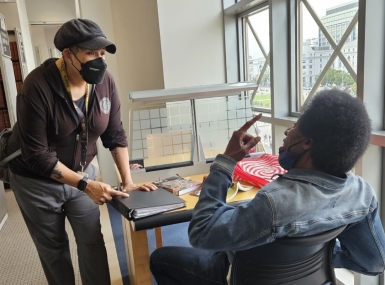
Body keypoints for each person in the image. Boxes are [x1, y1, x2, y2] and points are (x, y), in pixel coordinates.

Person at [150, 89, 385, 284]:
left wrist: (225, 163)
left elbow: (201, 234)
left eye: (295, 127)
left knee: (160, 259)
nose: (287, 132)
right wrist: (321, 251)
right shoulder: (362, 194)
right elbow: (374, 263)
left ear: (307, 143)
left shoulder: (273, 202)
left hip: (237, 273)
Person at [6, 19, 156, 285]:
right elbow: (38, 155)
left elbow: (115, 133)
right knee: (54, 249)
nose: (99, 60)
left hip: (83, 172)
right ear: (67, 54)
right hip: (36, 181)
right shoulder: (36, 86)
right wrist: (86, 184)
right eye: (90, 53)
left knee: (92, 241)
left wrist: (128, 180)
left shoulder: (105, 81)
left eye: (102, 54)